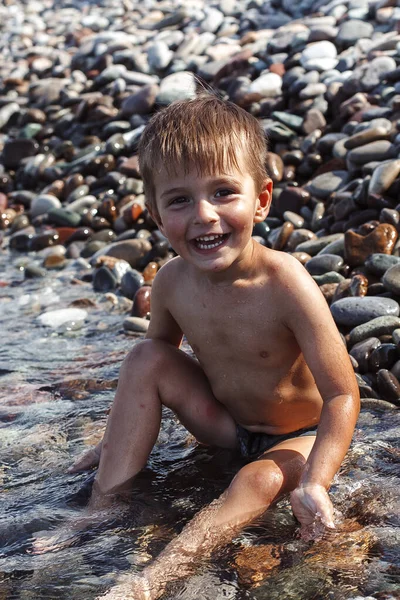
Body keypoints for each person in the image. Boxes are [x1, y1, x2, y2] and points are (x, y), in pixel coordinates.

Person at [71, 95, 360, 599]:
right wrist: (113, 441)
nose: (205, 216)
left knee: (256, 481)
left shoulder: (285, 283)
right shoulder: (170, 283)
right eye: (180, 200)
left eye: (224, 192)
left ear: (263, 200)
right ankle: (99, 511)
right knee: (142, 354)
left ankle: (154, 579)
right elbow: (154, 370)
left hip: (301, 436)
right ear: (158, 216)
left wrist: (316, 480)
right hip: (227, 426)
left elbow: (342, 395)